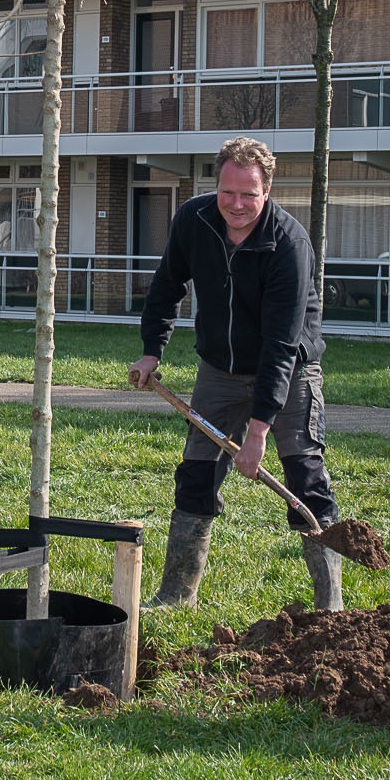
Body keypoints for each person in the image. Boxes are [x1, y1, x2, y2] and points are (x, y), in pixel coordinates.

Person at [128, 136, 341, 611]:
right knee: (196, 476)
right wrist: (151, 353)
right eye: (228, 192)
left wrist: (260, 429)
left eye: (249, 194)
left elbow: (281, 342)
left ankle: (330, 607)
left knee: (305, 478)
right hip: (219, 372)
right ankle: (176, 596)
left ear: (268, 191)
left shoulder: (288, 243)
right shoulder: (195, 220)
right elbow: (166, 285)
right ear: (216, 184)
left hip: (289, 372)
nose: (237, 205)